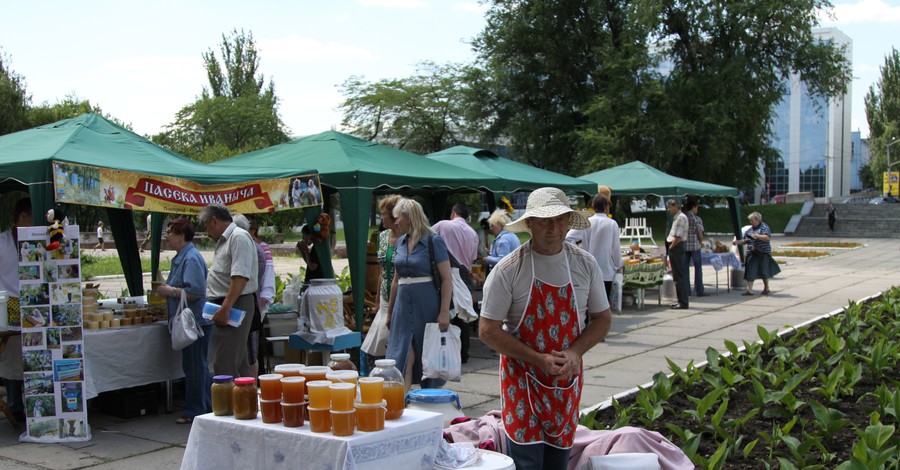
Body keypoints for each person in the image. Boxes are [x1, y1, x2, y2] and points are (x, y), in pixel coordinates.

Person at [479, 187, 612, 470]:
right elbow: (487, 330)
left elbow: (602, 318)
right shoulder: (509, 269)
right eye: (544, 221)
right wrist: (537, 358)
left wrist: (575, 352)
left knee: (557, 462)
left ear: (568, 222)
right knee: (527, 463)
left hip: (564, 383)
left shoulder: (585, 264)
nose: (554, 228)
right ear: (529, 224)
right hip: (521, 383)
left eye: (560, 220)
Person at [385, 198, 452, 391]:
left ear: (408, 217)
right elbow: (396, 281)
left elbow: (447, 279)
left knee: (429, 355)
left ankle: (428, 400)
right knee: (403, 355)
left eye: (397, 218)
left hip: (427, 305)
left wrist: (444, 312)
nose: (395, 222)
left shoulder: (433, 240)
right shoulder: (400, 242)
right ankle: (402, 402)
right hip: (402, 307)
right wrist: (389, 313)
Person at [155, 218, 211, 424]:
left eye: (170, 232)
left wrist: (168, 291)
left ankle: (196, 410)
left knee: (195, 366)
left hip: (194, 321)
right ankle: (205, 406)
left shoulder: (191, 258)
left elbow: (195, 291)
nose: (167, 236)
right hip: (192, 320)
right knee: (197, 366)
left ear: (181, 235)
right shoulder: (183, 257)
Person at [197, 204, 258, 378]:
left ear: (213, 221)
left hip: (234, 304)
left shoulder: (238, 237)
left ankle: (228, 405)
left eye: (206, 226)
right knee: (237, 362)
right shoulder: (228, 239)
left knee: (225, 363)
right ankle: (243, 404)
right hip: (228, 304)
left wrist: (226, 307)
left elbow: (240, 277)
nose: (207, 232)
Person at [432, 202, 478, 363]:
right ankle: (463, 352)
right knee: (463, 315)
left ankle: (446, 351)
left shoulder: (443, 225)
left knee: (447, 311)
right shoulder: (473, 233)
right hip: (465, 274)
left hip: (448, 272)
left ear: (453, 213)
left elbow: (427, 236)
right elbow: (472, 258)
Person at [1, 197, 33, 423]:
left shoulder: (37, 240)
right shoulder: (3, 241)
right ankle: (14, 404)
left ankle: (34, 400)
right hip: (9, 303)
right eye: (33, 218)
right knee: (12, 355)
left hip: (35, 302)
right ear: (22, 217)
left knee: (34, 352)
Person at [361, 195, 402, 371]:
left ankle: (394, 374)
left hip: (401, 296)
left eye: (383, 214)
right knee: (375, 342)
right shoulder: (383, 236)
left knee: (392, 340)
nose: (381, 218)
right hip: (385, 297)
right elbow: (382, 270)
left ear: (394, 215)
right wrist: (377, 297)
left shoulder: (407, 237)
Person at [233, 214, 270, 378]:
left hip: (247, 302)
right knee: (250, 351)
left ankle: (250, 390)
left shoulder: (250, 247)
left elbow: (243, 278)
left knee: (249, 352)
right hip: (251, 302)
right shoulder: (256, 247)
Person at [565, 193, 621, 298]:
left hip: (588, 269)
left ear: (593, 206)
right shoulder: (612, 224)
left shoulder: (587, 222)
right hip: (606, 270)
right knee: (603, 303)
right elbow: (616, 249)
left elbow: (568, 238)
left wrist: (578, 253)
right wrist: (618, 265)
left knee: (588, 303)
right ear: (606, 206)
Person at [733, 212, 781, 296]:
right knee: (750, 270)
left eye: (752, 220)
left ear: (757, 220)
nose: (750, 222)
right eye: (750, 220)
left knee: (764, 271)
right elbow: (746, 240)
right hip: (752, 253)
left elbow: (767, 237)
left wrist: (757, 236)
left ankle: (766, 288)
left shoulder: (764, 227)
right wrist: (738, 242)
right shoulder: (750, 229)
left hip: (763, 253)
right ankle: (750, 290)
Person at [666, 199, 690, 309]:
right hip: (677, 247)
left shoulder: (680, 218)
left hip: (677, 247)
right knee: (676, 276)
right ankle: (680, 300)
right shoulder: (678, 217)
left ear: (676, 206)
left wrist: (671, 247)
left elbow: (678, 236)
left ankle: (683, 302)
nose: (668, 210)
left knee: (679, 276)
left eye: (670, 207)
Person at [683, 199, 705, 297]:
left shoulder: (682, 218)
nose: (697, 209)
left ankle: (687, 290)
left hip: (684, 246)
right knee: (698, 269)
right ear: (693, 207)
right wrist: (701, 241)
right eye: (697, 207)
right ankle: (699, 290)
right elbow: (700, 234)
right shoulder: (696, 219)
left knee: (685, 269)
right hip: (695, 246)